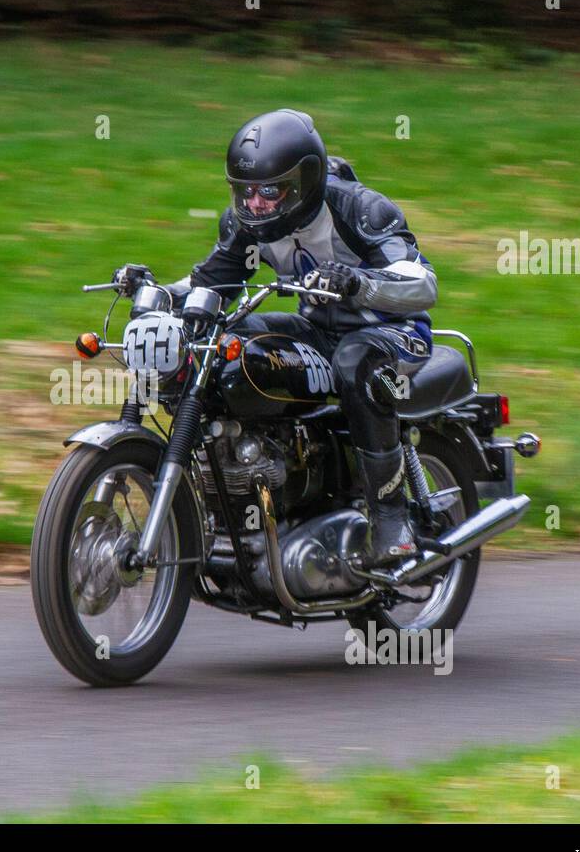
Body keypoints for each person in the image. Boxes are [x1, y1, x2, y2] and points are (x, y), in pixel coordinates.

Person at [178, 108, 438, 565]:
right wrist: (157, 293)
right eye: (245, 192)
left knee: (355, 363)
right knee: (233, 344)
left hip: (393, 333)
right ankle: (257, 483)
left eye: (269, 191)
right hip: (320, 330)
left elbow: (423, 284)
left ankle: (391, 520)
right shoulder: (245, 225)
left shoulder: (359, 209)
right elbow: (210, 284)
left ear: (305, 181)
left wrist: (360, 284)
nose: (254, 204)